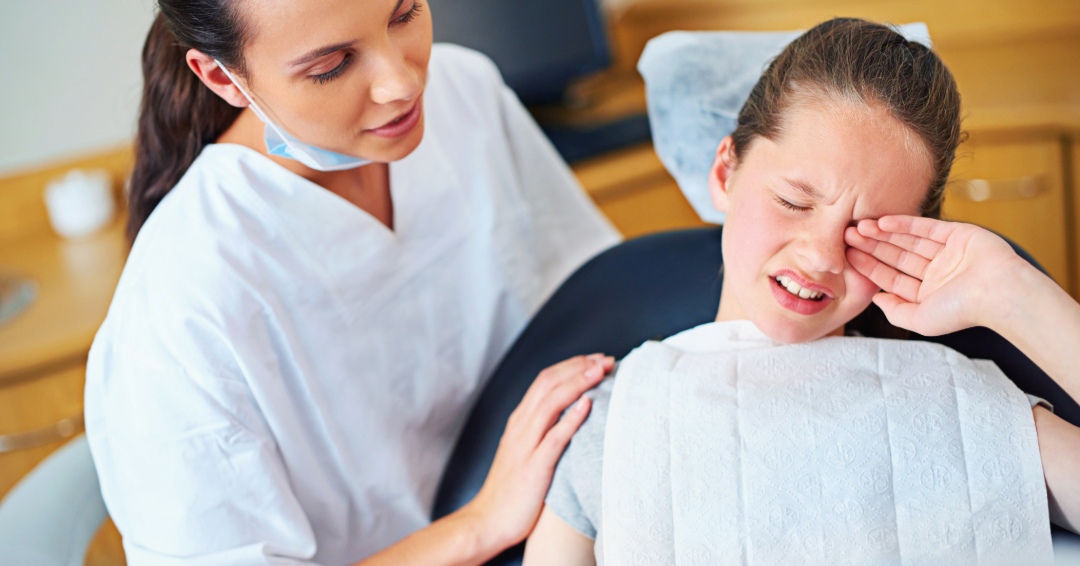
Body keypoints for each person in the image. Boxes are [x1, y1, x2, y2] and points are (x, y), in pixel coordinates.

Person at [523, 18, 1080, 565]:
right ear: (725, 173)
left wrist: (1018, 297)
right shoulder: (617, 424)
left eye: (866, 232)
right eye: (793, 201)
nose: (820, 256)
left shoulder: (961, 403)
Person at [83, 0, 622, 564]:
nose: (402, 82)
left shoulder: (465, 93)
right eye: (331, 66)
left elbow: (596, 297)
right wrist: (479, 524)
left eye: (405, 14)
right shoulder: (182, 303)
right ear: (223, 77)